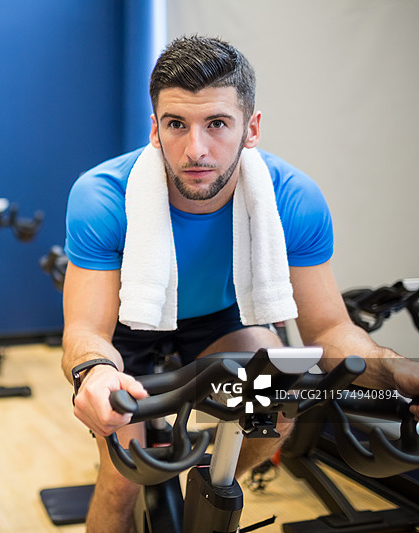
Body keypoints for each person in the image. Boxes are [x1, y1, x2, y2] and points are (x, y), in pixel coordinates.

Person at [61, 35, 419, 532]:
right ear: (155, 129)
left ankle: (204, 479)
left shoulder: (293, 199)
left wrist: (400, 371)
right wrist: (94, 373)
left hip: (217, 316)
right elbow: (85, 332)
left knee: (278, 401)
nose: (195, 149)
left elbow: (332, 330)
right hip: (129, 322)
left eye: (217, 124)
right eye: (176, 125)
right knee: (123, 475)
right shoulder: (101, 196)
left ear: (251, 128)